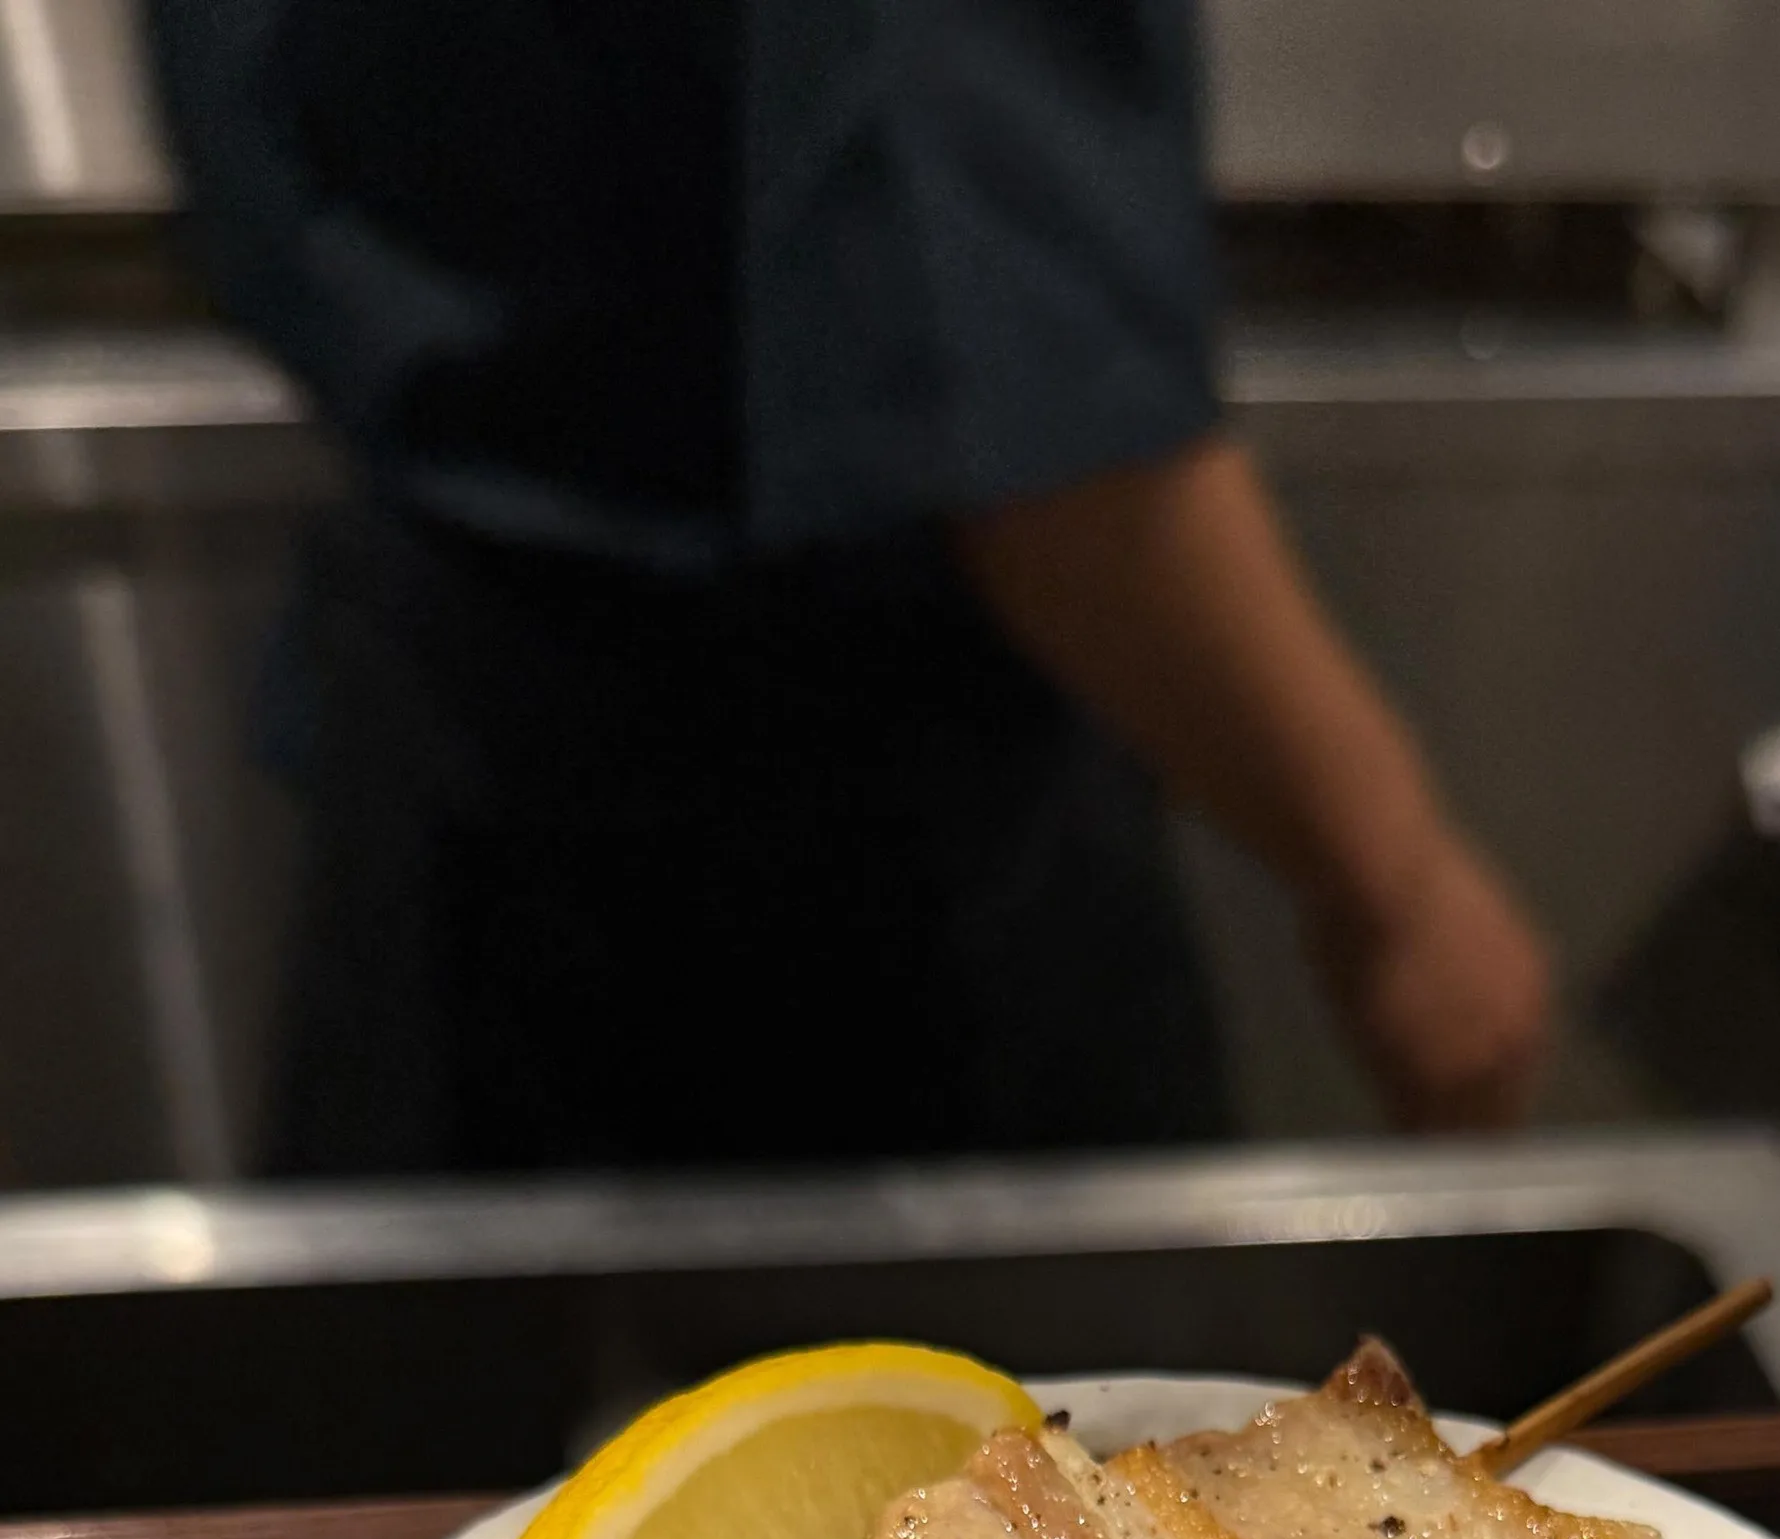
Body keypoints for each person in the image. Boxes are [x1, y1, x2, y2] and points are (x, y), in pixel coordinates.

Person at [142, 1, 1551, 1181]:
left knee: (465, 1489)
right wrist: (1398, 885)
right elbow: (1041, 450)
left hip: (445, 802)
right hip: (869, 933)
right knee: (1024, 1499)